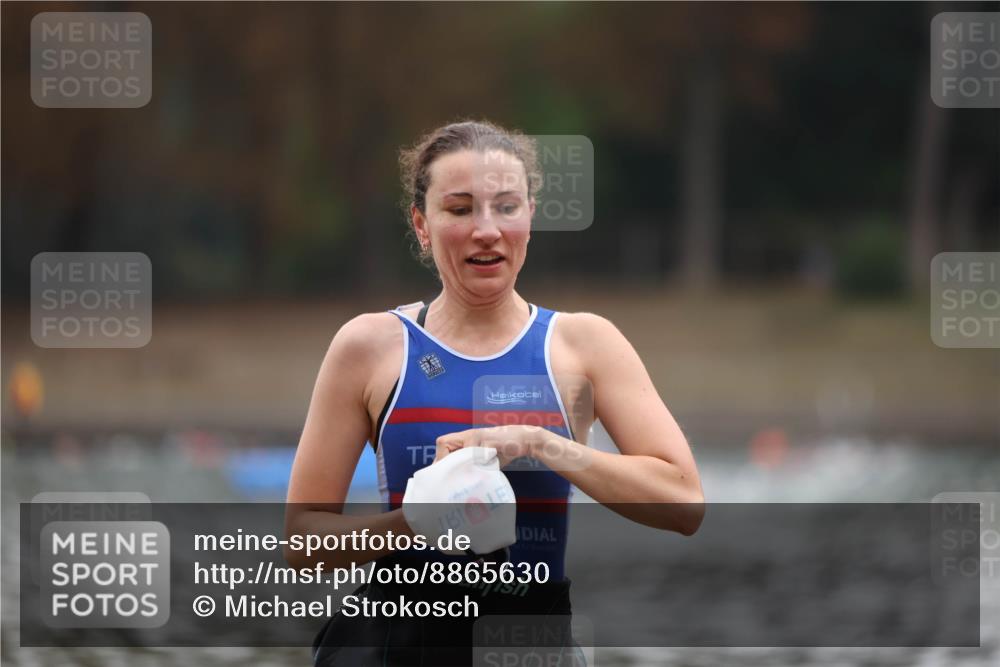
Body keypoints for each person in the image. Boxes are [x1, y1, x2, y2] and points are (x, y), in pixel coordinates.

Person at [285, 120, 705, 666]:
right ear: (422, 225)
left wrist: (538, 442)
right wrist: (414, 523)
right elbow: (302, 542)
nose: (486, 230)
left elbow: (685, 505)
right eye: (460, 209)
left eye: (506, 207)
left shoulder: (583, 345)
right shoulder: (369, 347)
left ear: (530, 216)